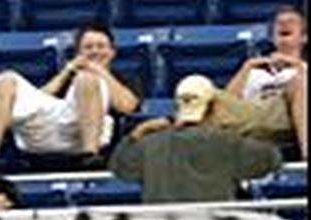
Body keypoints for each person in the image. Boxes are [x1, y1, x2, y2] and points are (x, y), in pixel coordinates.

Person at [0, 23, 142, 175]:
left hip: (86, 135)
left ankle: (90, 156)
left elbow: (128, 106)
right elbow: (39, 101)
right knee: (4, 80)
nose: (95, 51)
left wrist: (99, 71)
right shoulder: (64, 77)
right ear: (78, 53)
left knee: (87, 80)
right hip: (46, 132)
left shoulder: (123, 79)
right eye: (88, 47)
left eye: (101, 46)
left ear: (112, 52)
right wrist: (68, 71)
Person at [109, 74, 283, 203]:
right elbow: (271, 159)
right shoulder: (228, 142)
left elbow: (120, 168)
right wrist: (242, 121)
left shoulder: (149, 144)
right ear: (215, 107)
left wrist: (138, 132)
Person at [207, 5, 307, 160]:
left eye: (291, 21)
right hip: (252, 115)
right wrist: (247, 67)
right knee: (198, 87)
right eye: (279, 23)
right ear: (272, 37)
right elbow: (227, 102)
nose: (284, 24)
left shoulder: (304, 69)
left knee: (298, 83)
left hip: (283, 118)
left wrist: (297, 65)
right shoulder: (254, 70)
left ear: (304, 37)